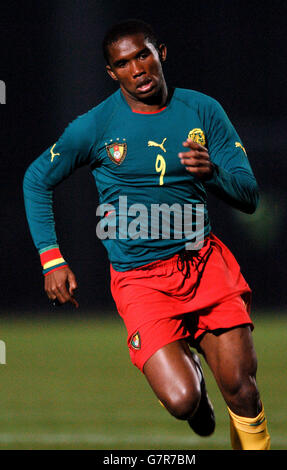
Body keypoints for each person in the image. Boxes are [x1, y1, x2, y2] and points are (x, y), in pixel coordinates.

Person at [23, 19, 271, 450]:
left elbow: (248, 195)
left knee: (243, 390)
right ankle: (195, 398)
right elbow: (36, 179)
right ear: (111, 73)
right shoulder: (95, 126)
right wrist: (52, 258)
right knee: (182, 400)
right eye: (123, 63)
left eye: (143, 55)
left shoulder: (202, 110)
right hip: (141, 281)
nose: (137, 69)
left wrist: (212, 173)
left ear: (161, 53)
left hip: (205, 265)